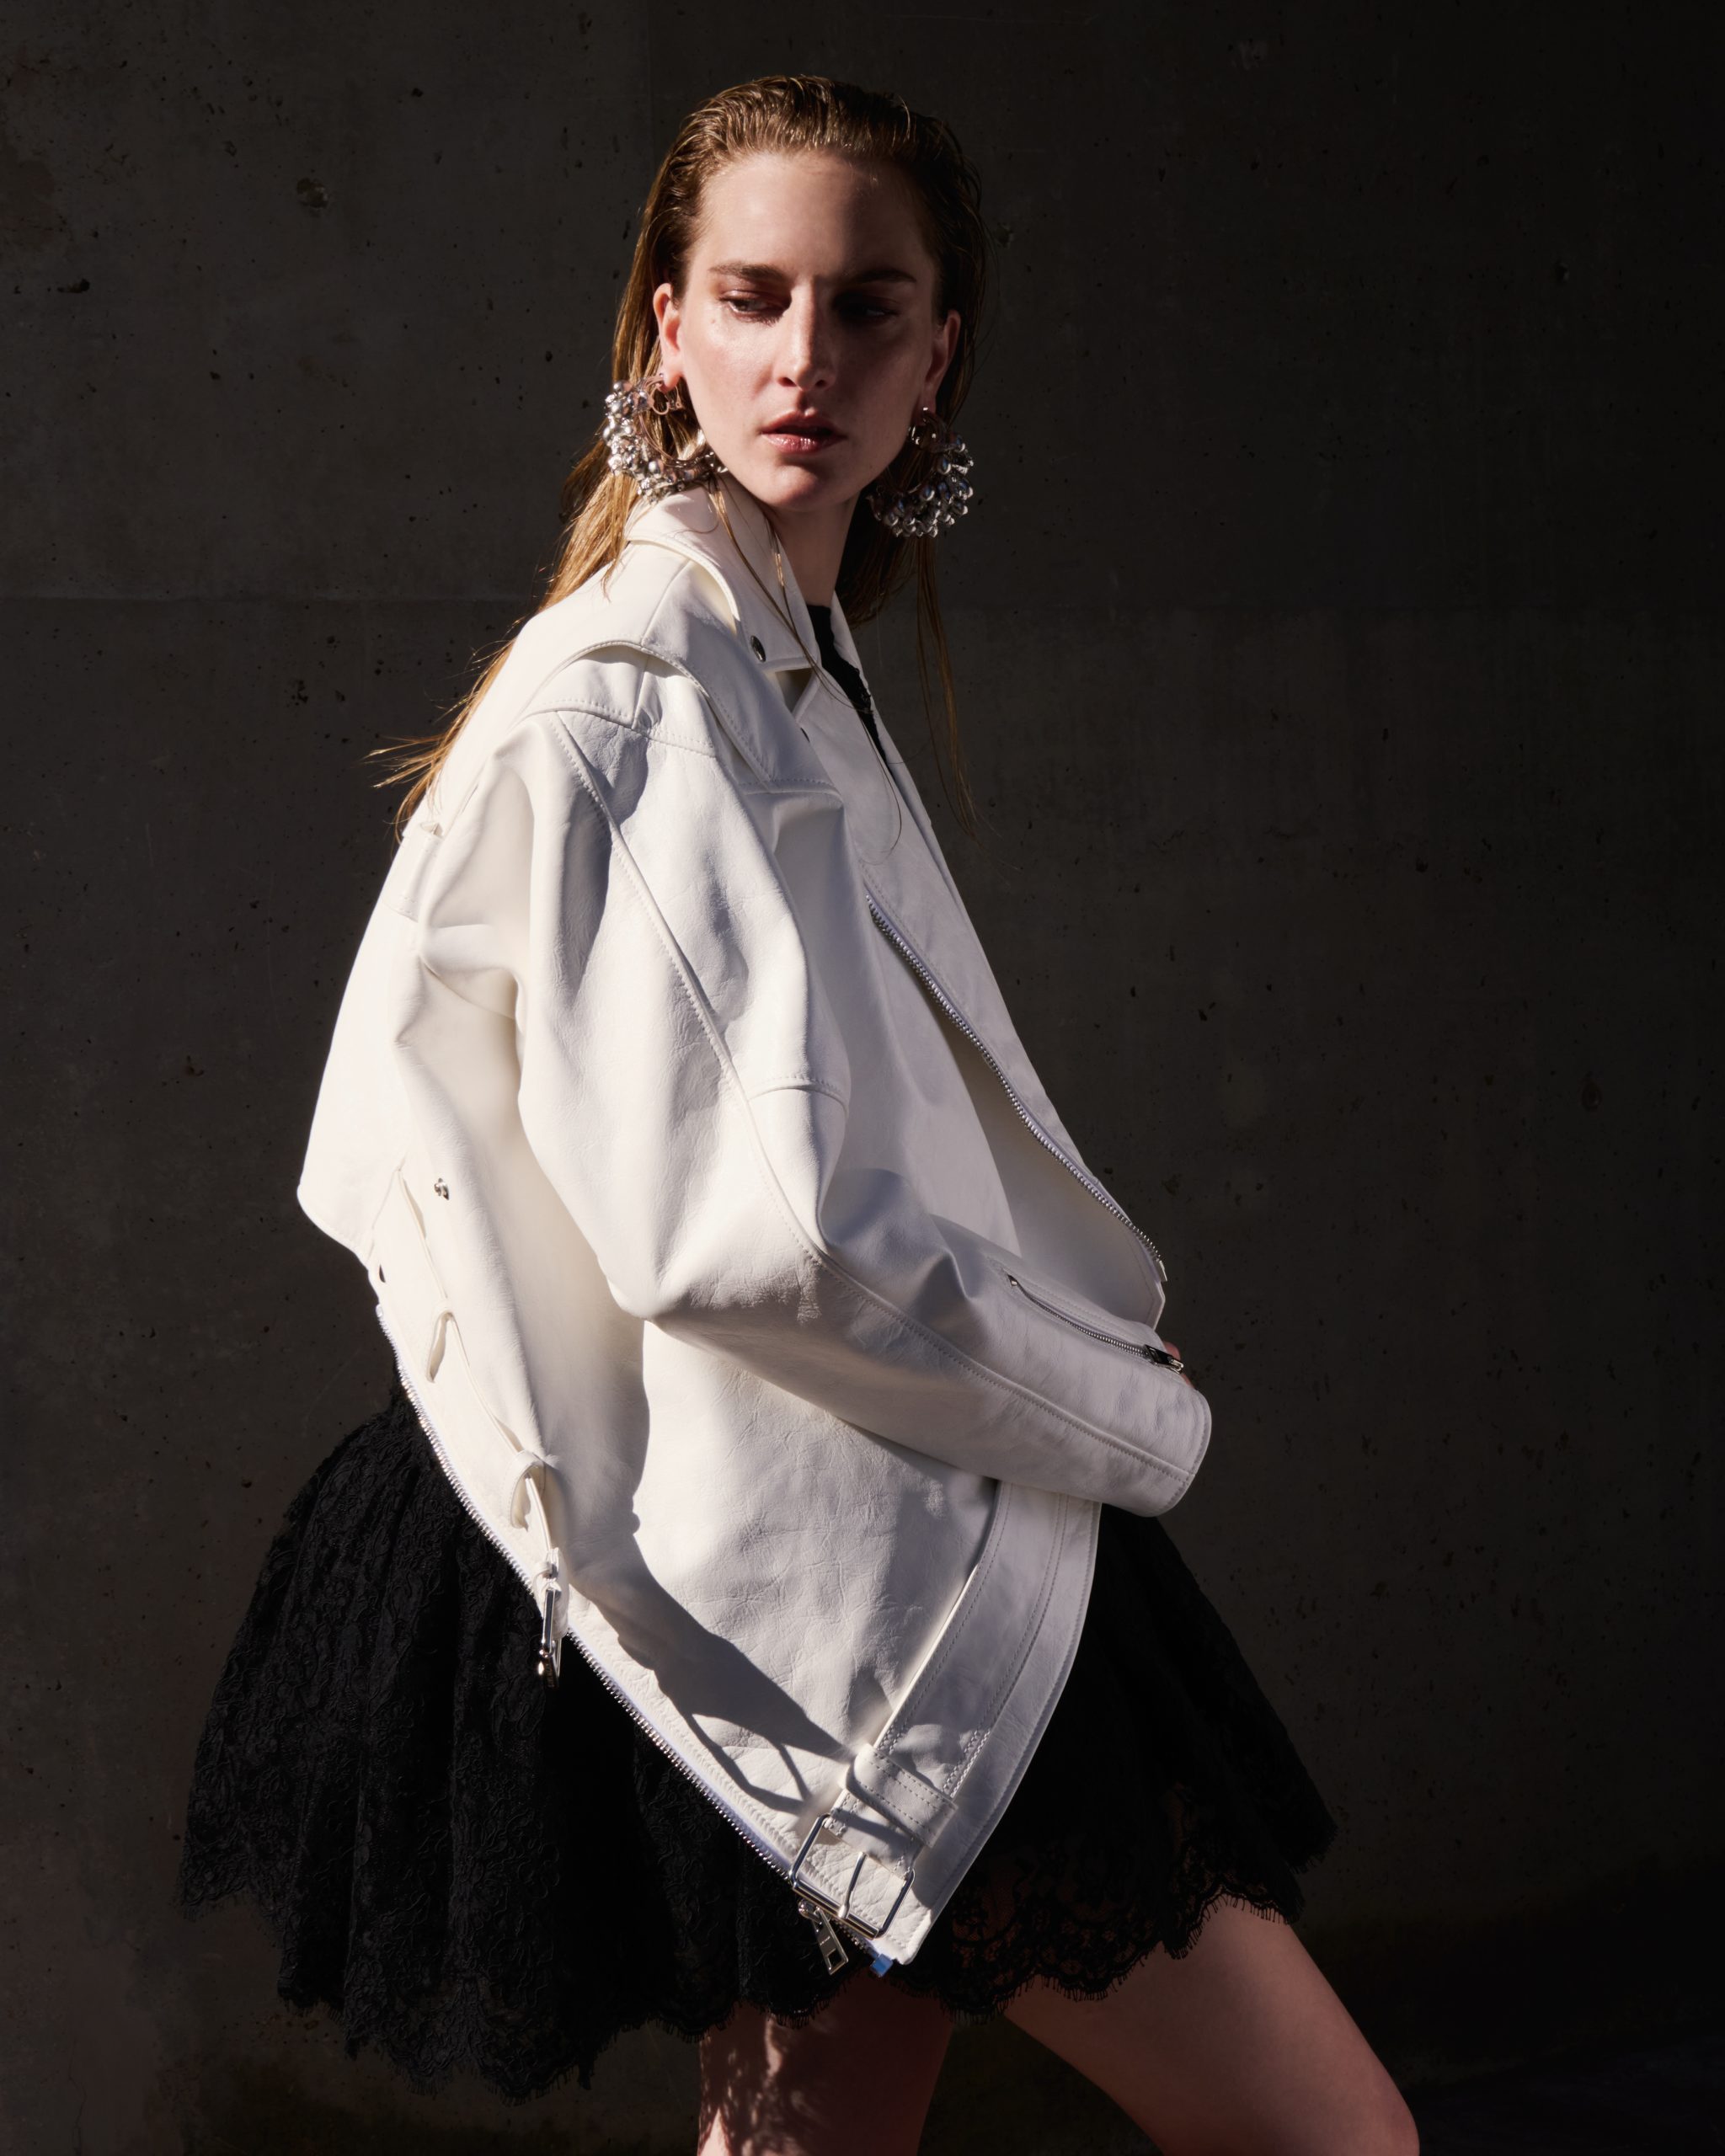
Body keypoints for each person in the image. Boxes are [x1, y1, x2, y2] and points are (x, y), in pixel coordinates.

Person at [176, 72, 1418, 2156]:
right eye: (752, 298)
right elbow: (762, 1238)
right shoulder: (647, 692)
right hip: (805, 1562)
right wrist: (1130, 1419)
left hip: (830, 1527)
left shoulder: (784, 654)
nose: (805, 358)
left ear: (941, 357)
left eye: (866, 307)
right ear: (666, 330)